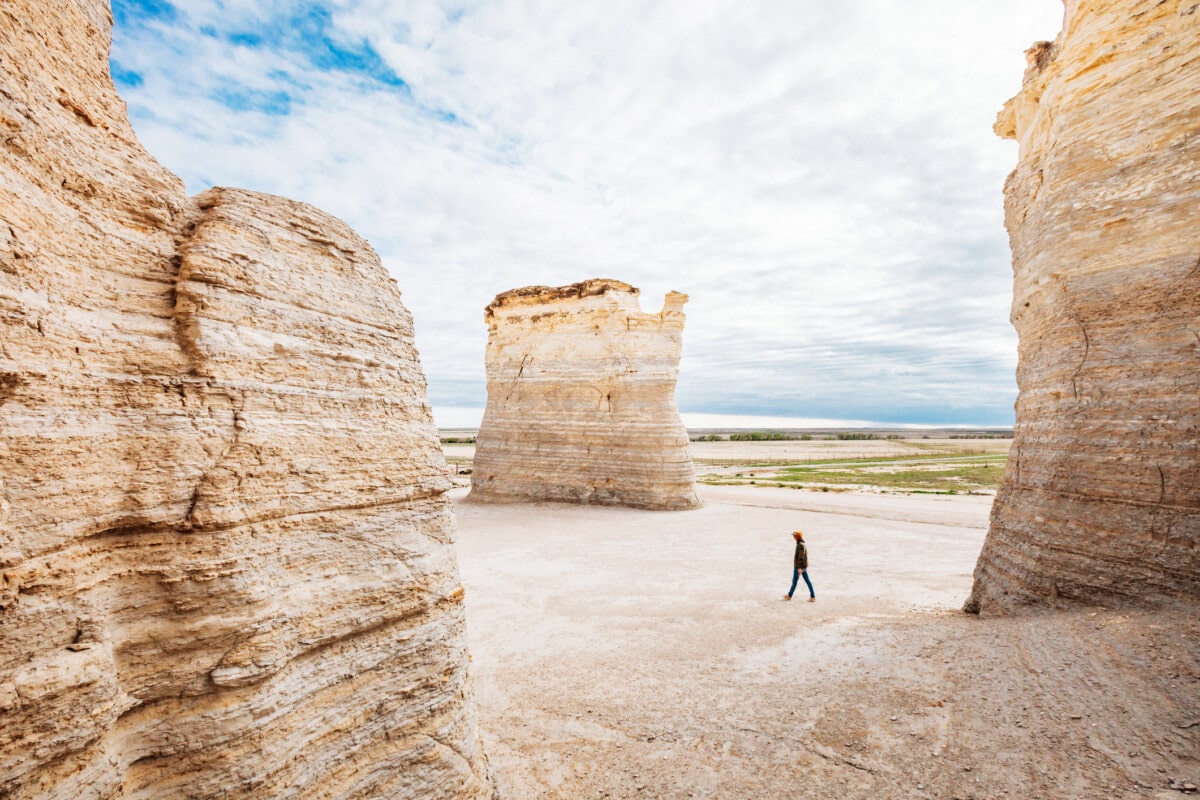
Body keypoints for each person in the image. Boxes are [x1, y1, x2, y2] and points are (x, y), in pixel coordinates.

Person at [783, 530, 815, 602]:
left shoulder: (800, 545)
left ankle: (789, 596)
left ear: (797, 537)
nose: (793, 537)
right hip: (803, 567)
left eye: (794, 536)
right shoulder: (801, 543)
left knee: (794, 582)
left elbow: (801, 557)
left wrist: (799, 568)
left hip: (799, 567)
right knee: (808, 581)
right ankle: (813, 596)